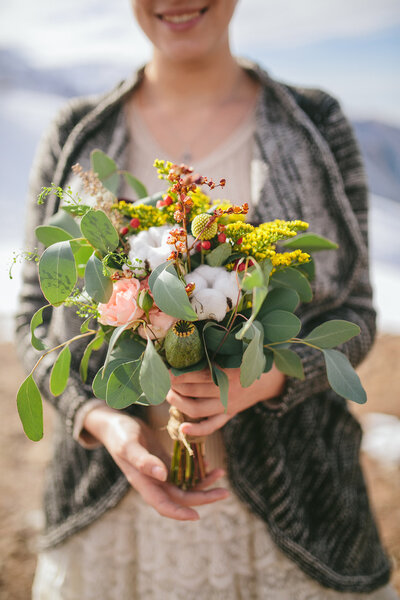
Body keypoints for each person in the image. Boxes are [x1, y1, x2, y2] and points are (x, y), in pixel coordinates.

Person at [15, 1, 398, 598]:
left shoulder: (315, 123)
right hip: (111, 508)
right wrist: (102, 422)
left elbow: (357, 316)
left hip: (299, 505)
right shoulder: (78, 133)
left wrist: (265, 378)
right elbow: (32, 317)